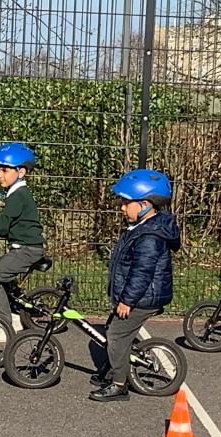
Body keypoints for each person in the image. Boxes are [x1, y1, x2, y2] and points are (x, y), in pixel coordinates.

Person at [89, 169, 181, 402]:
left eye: (125, 203)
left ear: (144, 205)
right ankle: (111, 369)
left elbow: (142, 272)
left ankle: (119, 384)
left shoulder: (150, 236)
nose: (121, 207)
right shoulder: (142, 228)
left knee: (116, 335)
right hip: (140, 294)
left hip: (143, 297)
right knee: (114, 328)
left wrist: (127, 301)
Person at [0, 142, 44, 323]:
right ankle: (12, 309)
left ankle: (3, 322)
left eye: (4, 170)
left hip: (27, 250)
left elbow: (4, 223)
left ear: (21, 172)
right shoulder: (18, 194)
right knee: (1, 273)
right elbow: (14, 224)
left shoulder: (18, 196)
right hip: (24, 247)